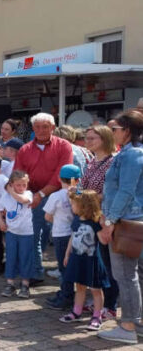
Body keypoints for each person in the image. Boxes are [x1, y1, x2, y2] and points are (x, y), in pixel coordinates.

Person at [97, 109, 143, 344]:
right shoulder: (131, 153)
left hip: (126, 222)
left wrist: (110, 221)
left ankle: (128, 326)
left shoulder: (131, 155)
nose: (112, 132)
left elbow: (125, 190)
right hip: (131, 220)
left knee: (125, 275)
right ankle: (137, 323)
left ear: (126, 131)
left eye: (115, 129)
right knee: (133, 275)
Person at [14, 112, 73, 286]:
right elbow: (18, 174)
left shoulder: (64, 146)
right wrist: (26, 195)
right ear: (33, 129)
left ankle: (67, 277)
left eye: (45, 126)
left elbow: (61, 175)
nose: (41, 130)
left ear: (53, 128)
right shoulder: (25, 149)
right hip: (32, 196)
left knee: (62, 237)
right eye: (37, 127)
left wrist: (41, 194)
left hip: (57, 196)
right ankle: (35, 273)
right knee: (33, 236)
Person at [81, 125, 118, 321]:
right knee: (96, 262)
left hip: (104, 217)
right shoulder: (91, 161)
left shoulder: (112, 162)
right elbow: (82, 186)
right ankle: (100, 302)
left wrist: (90, 197)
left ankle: (111, 305)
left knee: (108, 263)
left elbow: (111, 192)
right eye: (86, 138)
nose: (87, 142)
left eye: (92, 138)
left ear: (104, 139)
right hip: (90, 217)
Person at [59, 189, 110, 332]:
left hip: (92, 261)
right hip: (77, 259)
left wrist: (105, 225)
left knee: (95, 289)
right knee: (79, 286)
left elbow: (104, 241)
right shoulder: (76, 220)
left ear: (84, 206)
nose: (72, 207)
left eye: (74, 204)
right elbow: (73, 236)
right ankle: (77, 311)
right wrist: (67, 254)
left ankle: (97, 316)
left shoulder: (95, 223)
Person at [44, 164, 82, 311]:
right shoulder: (80, 194)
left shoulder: (56, 196)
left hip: (61, 234)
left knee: (63, 267)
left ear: (59, 178)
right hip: (75, 234)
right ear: (77, 180)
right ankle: (66, 293)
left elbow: (47, 216)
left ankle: (66, 296)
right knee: (71, 265)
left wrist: (59, 221)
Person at [0, 170, 34, 299]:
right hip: (11, 232)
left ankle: (25, 285)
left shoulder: (28, 194)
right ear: (12, 184)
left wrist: (10, 190)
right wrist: (1, 222)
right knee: (11, 257)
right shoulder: (5, 197)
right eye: (18, 185)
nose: (21, 188)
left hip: (26, 233)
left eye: (24, 185)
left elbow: (22, 200)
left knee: (25, 258)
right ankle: (10, 284)